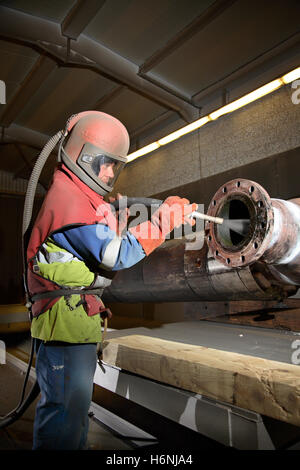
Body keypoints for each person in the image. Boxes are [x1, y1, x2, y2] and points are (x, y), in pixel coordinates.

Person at [26, 111, 196, 450]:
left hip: (71, 322)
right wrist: (163, 222)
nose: (109, 174)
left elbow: (88, 251)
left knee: (70, 412)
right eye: (104, 164)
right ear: (83, 156)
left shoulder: (74, 194)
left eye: (114, 166)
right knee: (64, 416)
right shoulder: (70, 200)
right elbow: (115, 256)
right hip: (65, 327)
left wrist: (114, 221)